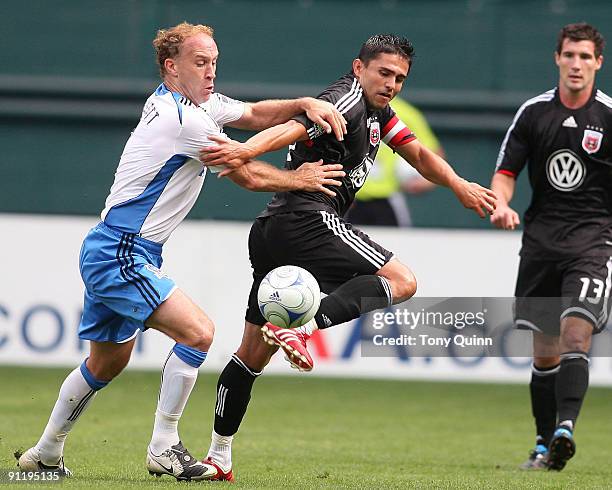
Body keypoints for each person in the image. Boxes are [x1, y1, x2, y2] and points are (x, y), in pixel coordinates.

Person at [16, 22, 347, 481]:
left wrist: (303, 104)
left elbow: (252, 113)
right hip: (121, 251)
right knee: (198, 334)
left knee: (107, 361)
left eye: (214, 62)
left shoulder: (196, 103)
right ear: (171, 67)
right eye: (200, 62)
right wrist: (300, 179)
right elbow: (242, 170)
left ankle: (45, 453)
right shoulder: (182, 121)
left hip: (120, 248)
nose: (211, 71)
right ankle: (164, 446)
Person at [199, 33, 497, 480]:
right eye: (384, 72)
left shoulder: (381, 113)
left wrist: (458, 185)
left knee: (251, 353)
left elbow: (417, 153)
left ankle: (218, 457)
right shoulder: (348, 99)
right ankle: (304, 327)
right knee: (402, 281)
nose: (392, 83)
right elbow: (297, 125)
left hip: (272, 228)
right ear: (360, 68)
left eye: (400, 77)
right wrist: (246, 149)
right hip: (308, 220)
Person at [490, 23, 610, 471]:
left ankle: (565, 428)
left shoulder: (609, 118)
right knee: (544, 352)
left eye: (585, 57)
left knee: (577, 331)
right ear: (557, 59)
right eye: (569, 56)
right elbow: (506, 172)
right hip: (540, 243)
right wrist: (500, 205)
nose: (576, 64)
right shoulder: (533, 113)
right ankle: (544, 446)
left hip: (593, 242)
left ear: (598, 62)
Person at [346, 97, 443, 226]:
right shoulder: (348, 108)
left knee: (397, 244)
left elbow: (434, 152)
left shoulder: (407, 113)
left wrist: (426, 182)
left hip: (389, 198)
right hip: (351, 198)